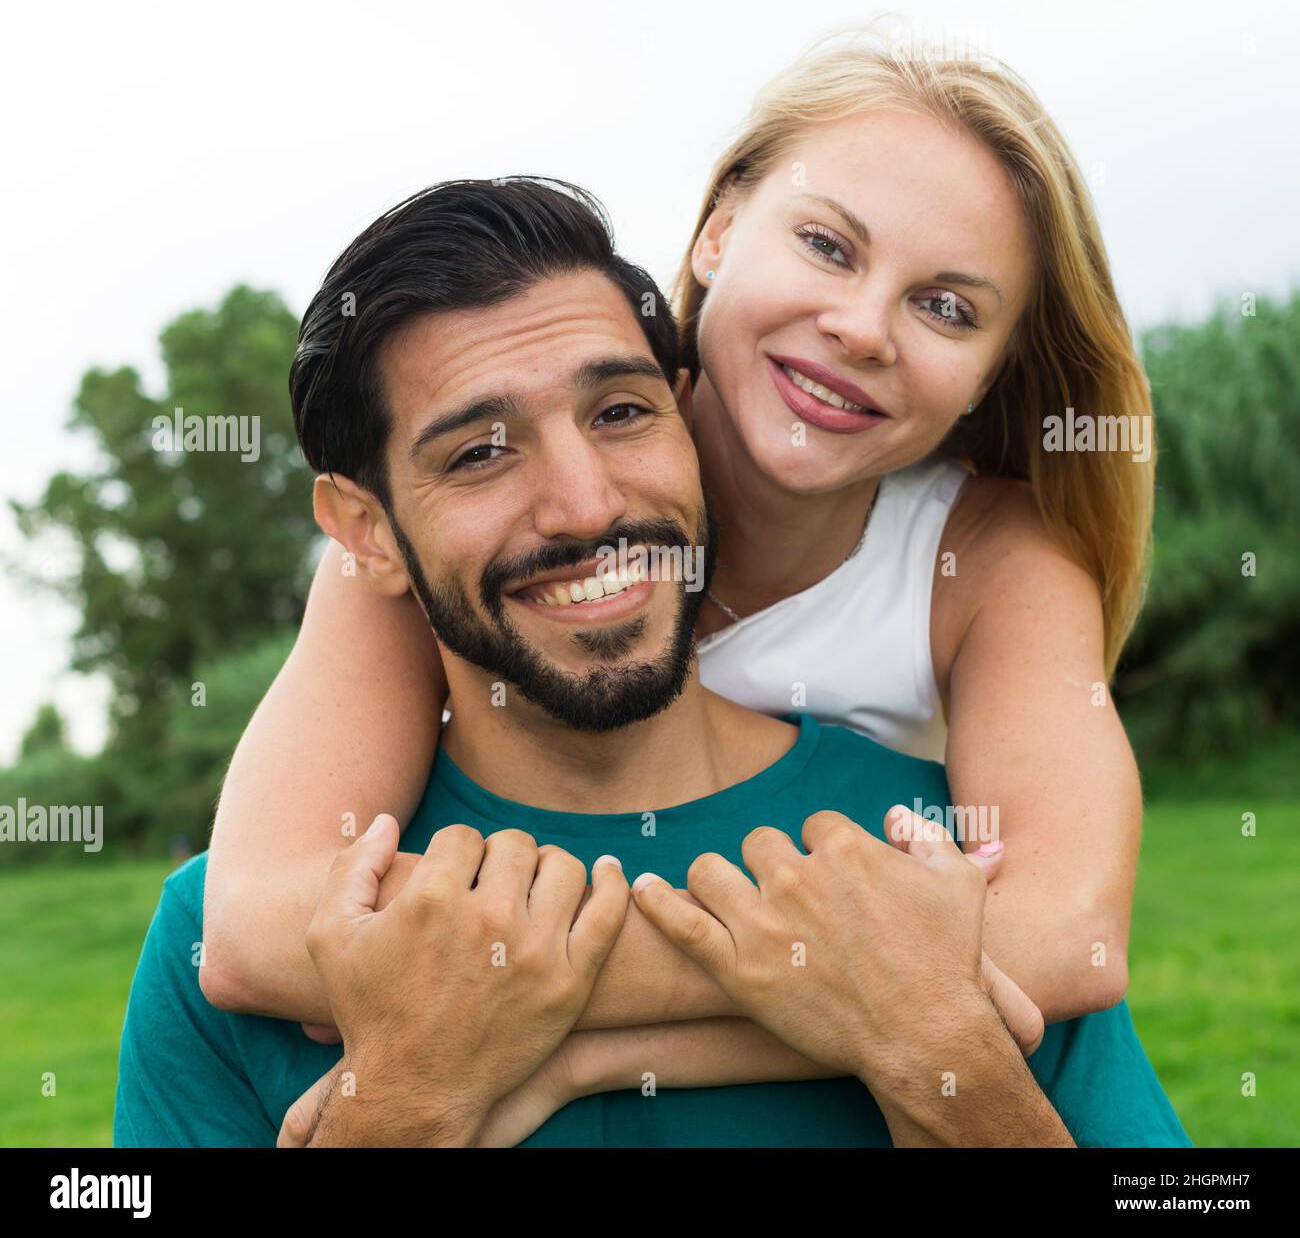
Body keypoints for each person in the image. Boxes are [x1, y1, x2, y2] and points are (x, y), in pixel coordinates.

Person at [115, 177, 1188, 1147]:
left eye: (621, 413)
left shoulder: (941, 879)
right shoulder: (246, 939)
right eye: (479, 451)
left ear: (692, 420)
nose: (587, 505)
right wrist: (399, 1108)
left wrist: (946, 1061)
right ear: (367, 533)